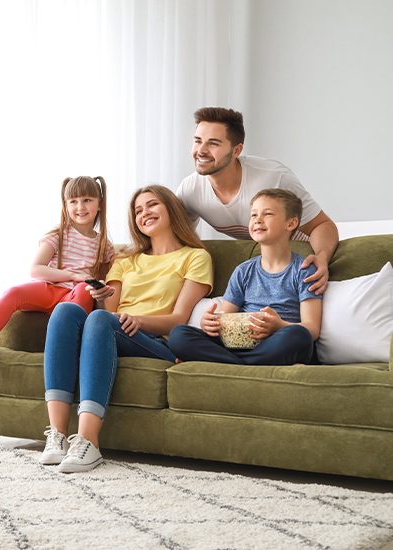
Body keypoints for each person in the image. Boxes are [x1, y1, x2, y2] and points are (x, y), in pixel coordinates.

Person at [40, 185, 213, 473]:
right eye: (138, 210)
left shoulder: (195, 257)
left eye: (152, 205)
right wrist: (102, 298)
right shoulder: (125, 260)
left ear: (171, 208)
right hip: (117, 328)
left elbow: (180, 318)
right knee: (66, 310)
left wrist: (139, 320)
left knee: (100, 321)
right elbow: (110, 312)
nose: (144, 213)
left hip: (157, 340)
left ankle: (88, 441)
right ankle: (57, 436)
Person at [0, 176, 114, 370]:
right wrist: (72, 275)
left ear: (99, 204)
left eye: (87, 200)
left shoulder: (104, 246)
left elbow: (106, 280)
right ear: (65, 205)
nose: (80, 207)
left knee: (84, 289)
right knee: (13, 292)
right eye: (73, 201)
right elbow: (36, 269)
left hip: (74, 297)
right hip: (50, 289)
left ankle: (75, 356)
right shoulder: (58, 235)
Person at [176, 106, 339, 294]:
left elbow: (322, 225)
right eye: (197, 141)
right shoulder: (189, 191)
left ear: (236, 150)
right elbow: (178, 241)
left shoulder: (273, 178)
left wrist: (322, 258)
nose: (201, 151)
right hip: (262, 260)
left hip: (302, 255)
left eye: (213, 143)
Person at [168, 188, 322, 366]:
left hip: (279, 341)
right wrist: (210, 323)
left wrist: (278, 325)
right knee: (179, 335)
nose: (257, 220)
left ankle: (228, 364)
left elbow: (312, 329)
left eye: (268, 214)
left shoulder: (303, 270)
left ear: (291, 223)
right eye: (254, 215)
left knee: (299, 336)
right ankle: (245, 365)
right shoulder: (243, 271)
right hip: (240, 344)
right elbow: (225, 318)